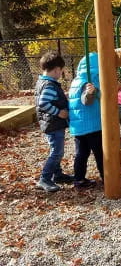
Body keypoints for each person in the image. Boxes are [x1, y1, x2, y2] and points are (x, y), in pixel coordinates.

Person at [35, 51, 74, 192]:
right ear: (57, 69)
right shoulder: (50, 85)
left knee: (56, 149)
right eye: (61, 71)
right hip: (53, 123)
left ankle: (57, 174)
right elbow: (43, 103)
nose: (61, 74)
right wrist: (59, 112)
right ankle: (44, 178)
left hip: (50, 123)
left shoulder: (43, 82)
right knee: (57, 151)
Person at [68, 53, 104, 189]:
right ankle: (107, 177)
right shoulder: (88, 83)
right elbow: (86, 100)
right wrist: (90, 93)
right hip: (92, 126)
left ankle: (79, 179)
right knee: (100, 153)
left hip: (79, 127)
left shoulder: (75, 80)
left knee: (81, 154)